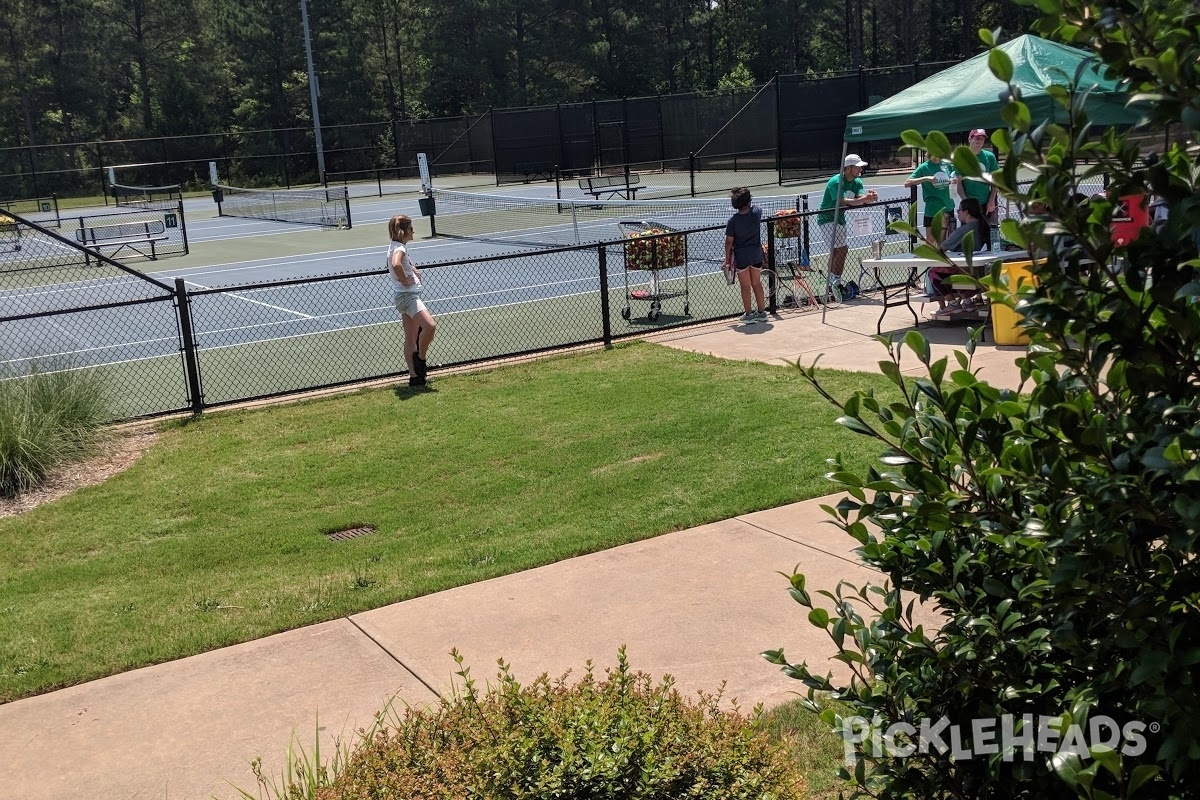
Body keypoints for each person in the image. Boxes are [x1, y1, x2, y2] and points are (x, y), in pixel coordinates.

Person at [387, 214, 437, 387]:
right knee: (430, 326)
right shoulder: (400, 249)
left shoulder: (395, 246)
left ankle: (415, 378)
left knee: (410, 339)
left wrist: (412, 268)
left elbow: (401, 262)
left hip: (402, 298)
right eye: (411, 229)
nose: (413, 231)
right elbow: (395, 264)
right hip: (408, 297)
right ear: (404, 231)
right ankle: (421, 360)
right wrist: (405, 280)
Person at [816, 154, 878, 286]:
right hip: (827, 219)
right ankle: (835, 280)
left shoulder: (857, 182)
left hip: (840, 219)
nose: (860, 170)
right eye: (858, 167)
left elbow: (861, 197)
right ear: (849, 168)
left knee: (837, 250)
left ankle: (831, 281)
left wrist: (870, 197)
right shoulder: (836, 182)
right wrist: (865, 199)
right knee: (842, 249)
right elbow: (844, 201)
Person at [928, 197, 990, 311]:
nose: (958, 213)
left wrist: (943, 226)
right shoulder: (985, 225)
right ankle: (967, 301)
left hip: (969, 273)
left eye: (959, 210)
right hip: (982, 271)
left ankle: (952, 303)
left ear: (966, 212)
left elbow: (939, 249)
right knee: (955, 269)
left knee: (933, 272)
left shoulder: (964, 230)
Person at [724, 187, 767, 323]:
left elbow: (729, 242)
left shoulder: (733, 221)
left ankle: (748, 315)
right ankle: (761, 313)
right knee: (757, 283)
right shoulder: (756, 213)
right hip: (755, 254)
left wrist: (727, 259)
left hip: (742, 256)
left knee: (745, 286)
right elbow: (756, 208)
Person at [904, 152, 955, 245]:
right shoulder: (924, 167)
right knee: (931, 242)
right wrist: (926, 178)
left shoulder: (947, 165)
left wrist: (954, 180)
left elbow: (955, 176)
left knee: (946, 243)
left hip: (948, 207)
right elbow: (907, 183)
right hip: (932, 209)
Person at [958, 129, 999, 222]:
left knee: (985, 233)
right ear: (970, 139)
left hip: (985, 203)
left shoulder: (990, 157)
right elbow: (959, 183)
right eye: (977, 138)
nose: (979, 141)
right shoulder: (962, 157)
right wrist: (966, 203)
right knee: (969, 233)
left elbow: (995, 181)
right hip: (969, 204)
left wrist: (991, 201)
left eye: (982, 139)